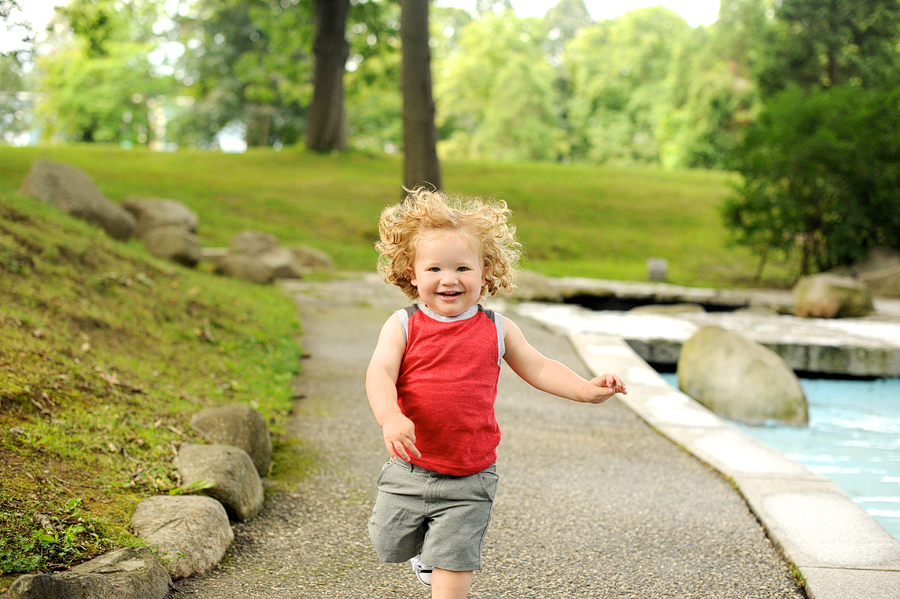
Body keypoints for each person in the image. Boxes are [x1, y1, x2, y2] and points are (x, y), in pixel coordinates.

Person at [365, 187, 627, 599]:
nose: (449, 279)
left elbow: (539, 367)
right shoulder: (403, 324)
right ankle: (423, 553)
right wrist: (390, 416)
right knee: (387, 542)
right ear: (412, 275)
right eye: (434, 269)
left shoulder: (497, 329)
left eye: (462, 268)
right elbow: (379, 371)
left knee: (455, 566)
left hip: (470, 475)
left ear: (484, 272)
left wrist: (584, 389)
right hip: (410, 468)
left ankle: (442, 559)